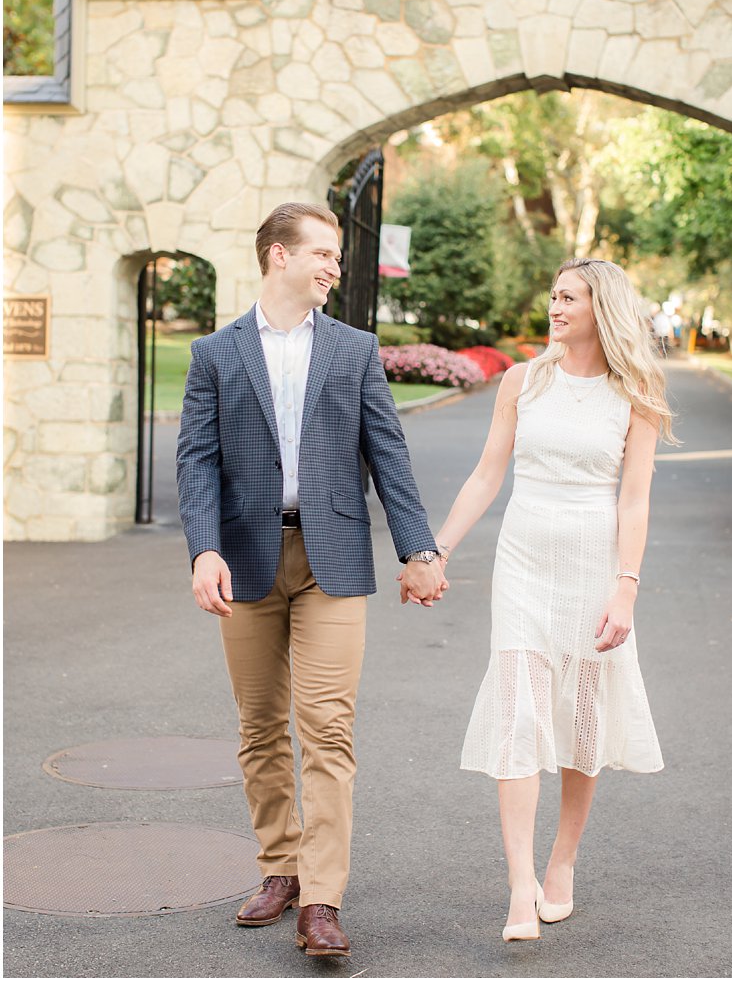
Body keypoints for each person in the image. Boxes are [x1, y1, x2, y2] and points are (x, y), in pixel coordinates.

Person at [176, 201, 445, 958]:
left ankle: (322, 898)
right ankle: (280, 866)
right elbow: (196, 461)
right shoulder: (215, 354)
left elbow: (387, 452)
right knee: (259, 726)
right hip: (246, 560)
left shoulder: (354, 349)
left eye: (337, 255)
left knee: (326, 729)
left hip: (334, 561)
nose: (334, 265)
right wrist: (203, 549)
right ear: (276, 256)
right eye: (322, 253)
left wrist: (418, 549)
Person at [426, 257, 670, 943]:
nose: (554, 305)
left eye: (568, 296)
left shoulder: (637, 388)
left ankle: (562, 860)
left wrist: (627, 588)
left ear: (602, 306)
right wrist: (436, 549)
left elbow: (635, 496)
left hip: (595, 560)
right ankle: (520, 886)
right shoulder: (522, 380)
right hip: (524, 558)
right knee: (519, 713)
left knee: (582, 719)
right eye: (553, 295)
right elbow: (486, 474)